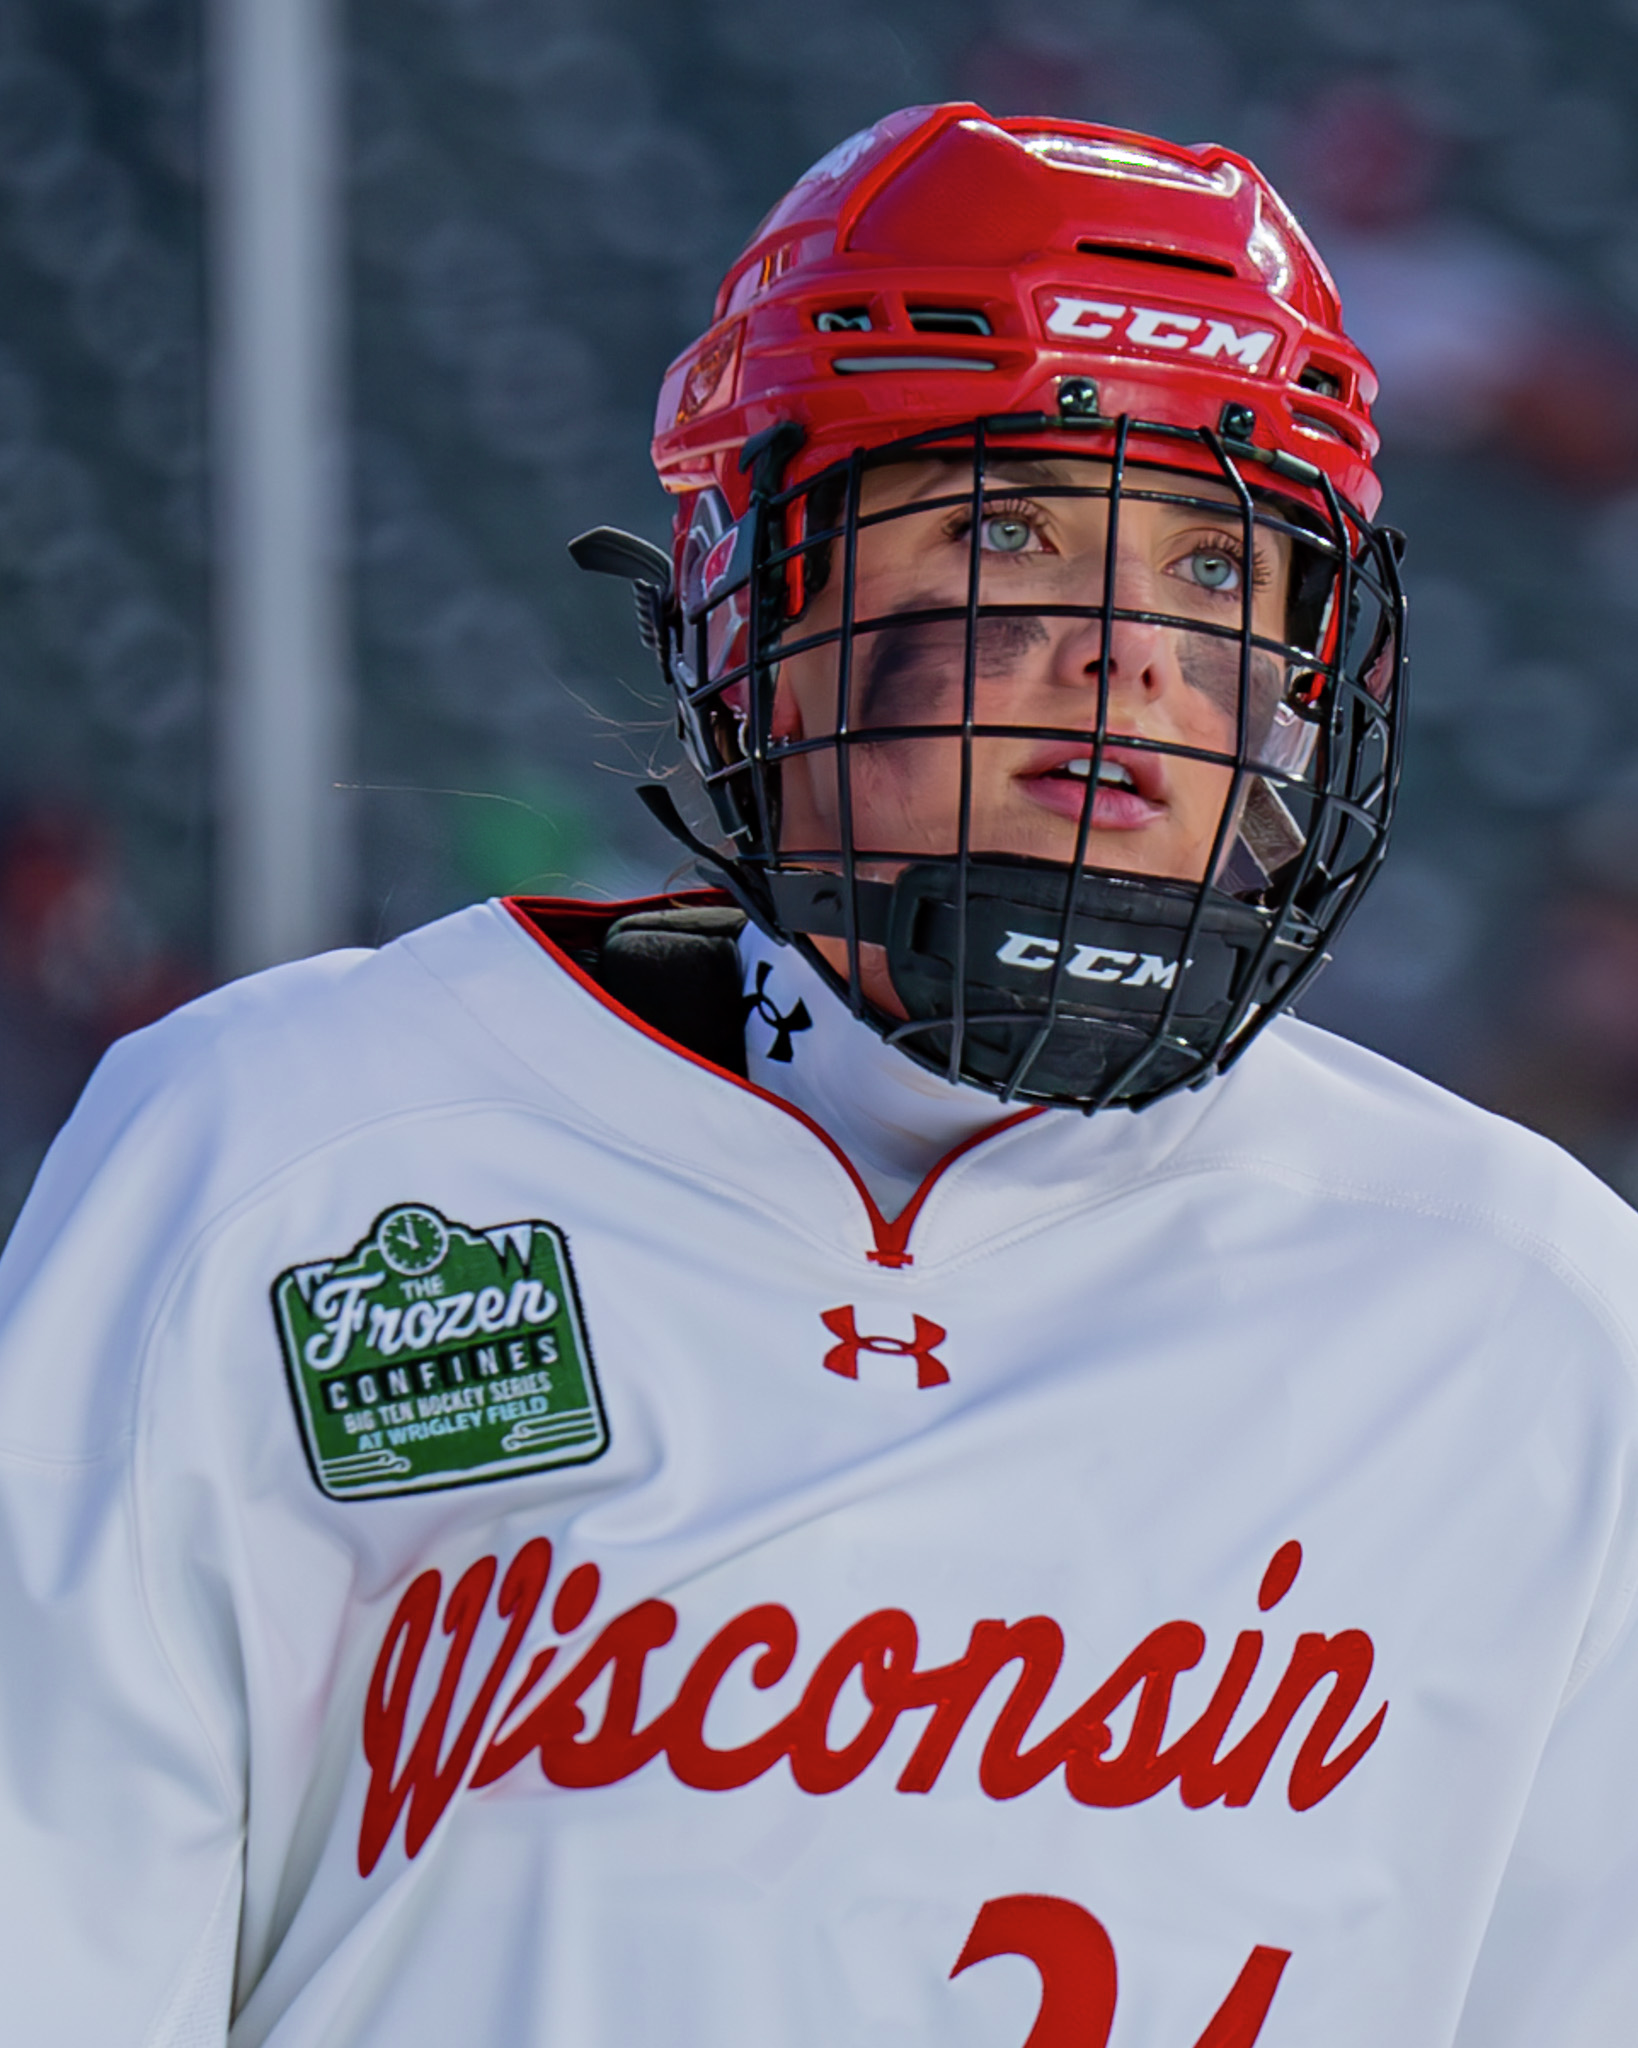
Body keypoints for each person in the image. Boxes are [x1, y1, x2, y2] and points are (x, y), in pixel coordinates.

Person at [2, 103, 1637, 2048]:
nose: (1122, 651)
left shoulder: (1526, 1312)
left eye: (1217, 569)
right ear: (754, 597)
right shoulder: (289, 1154)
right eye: (1006, 525)